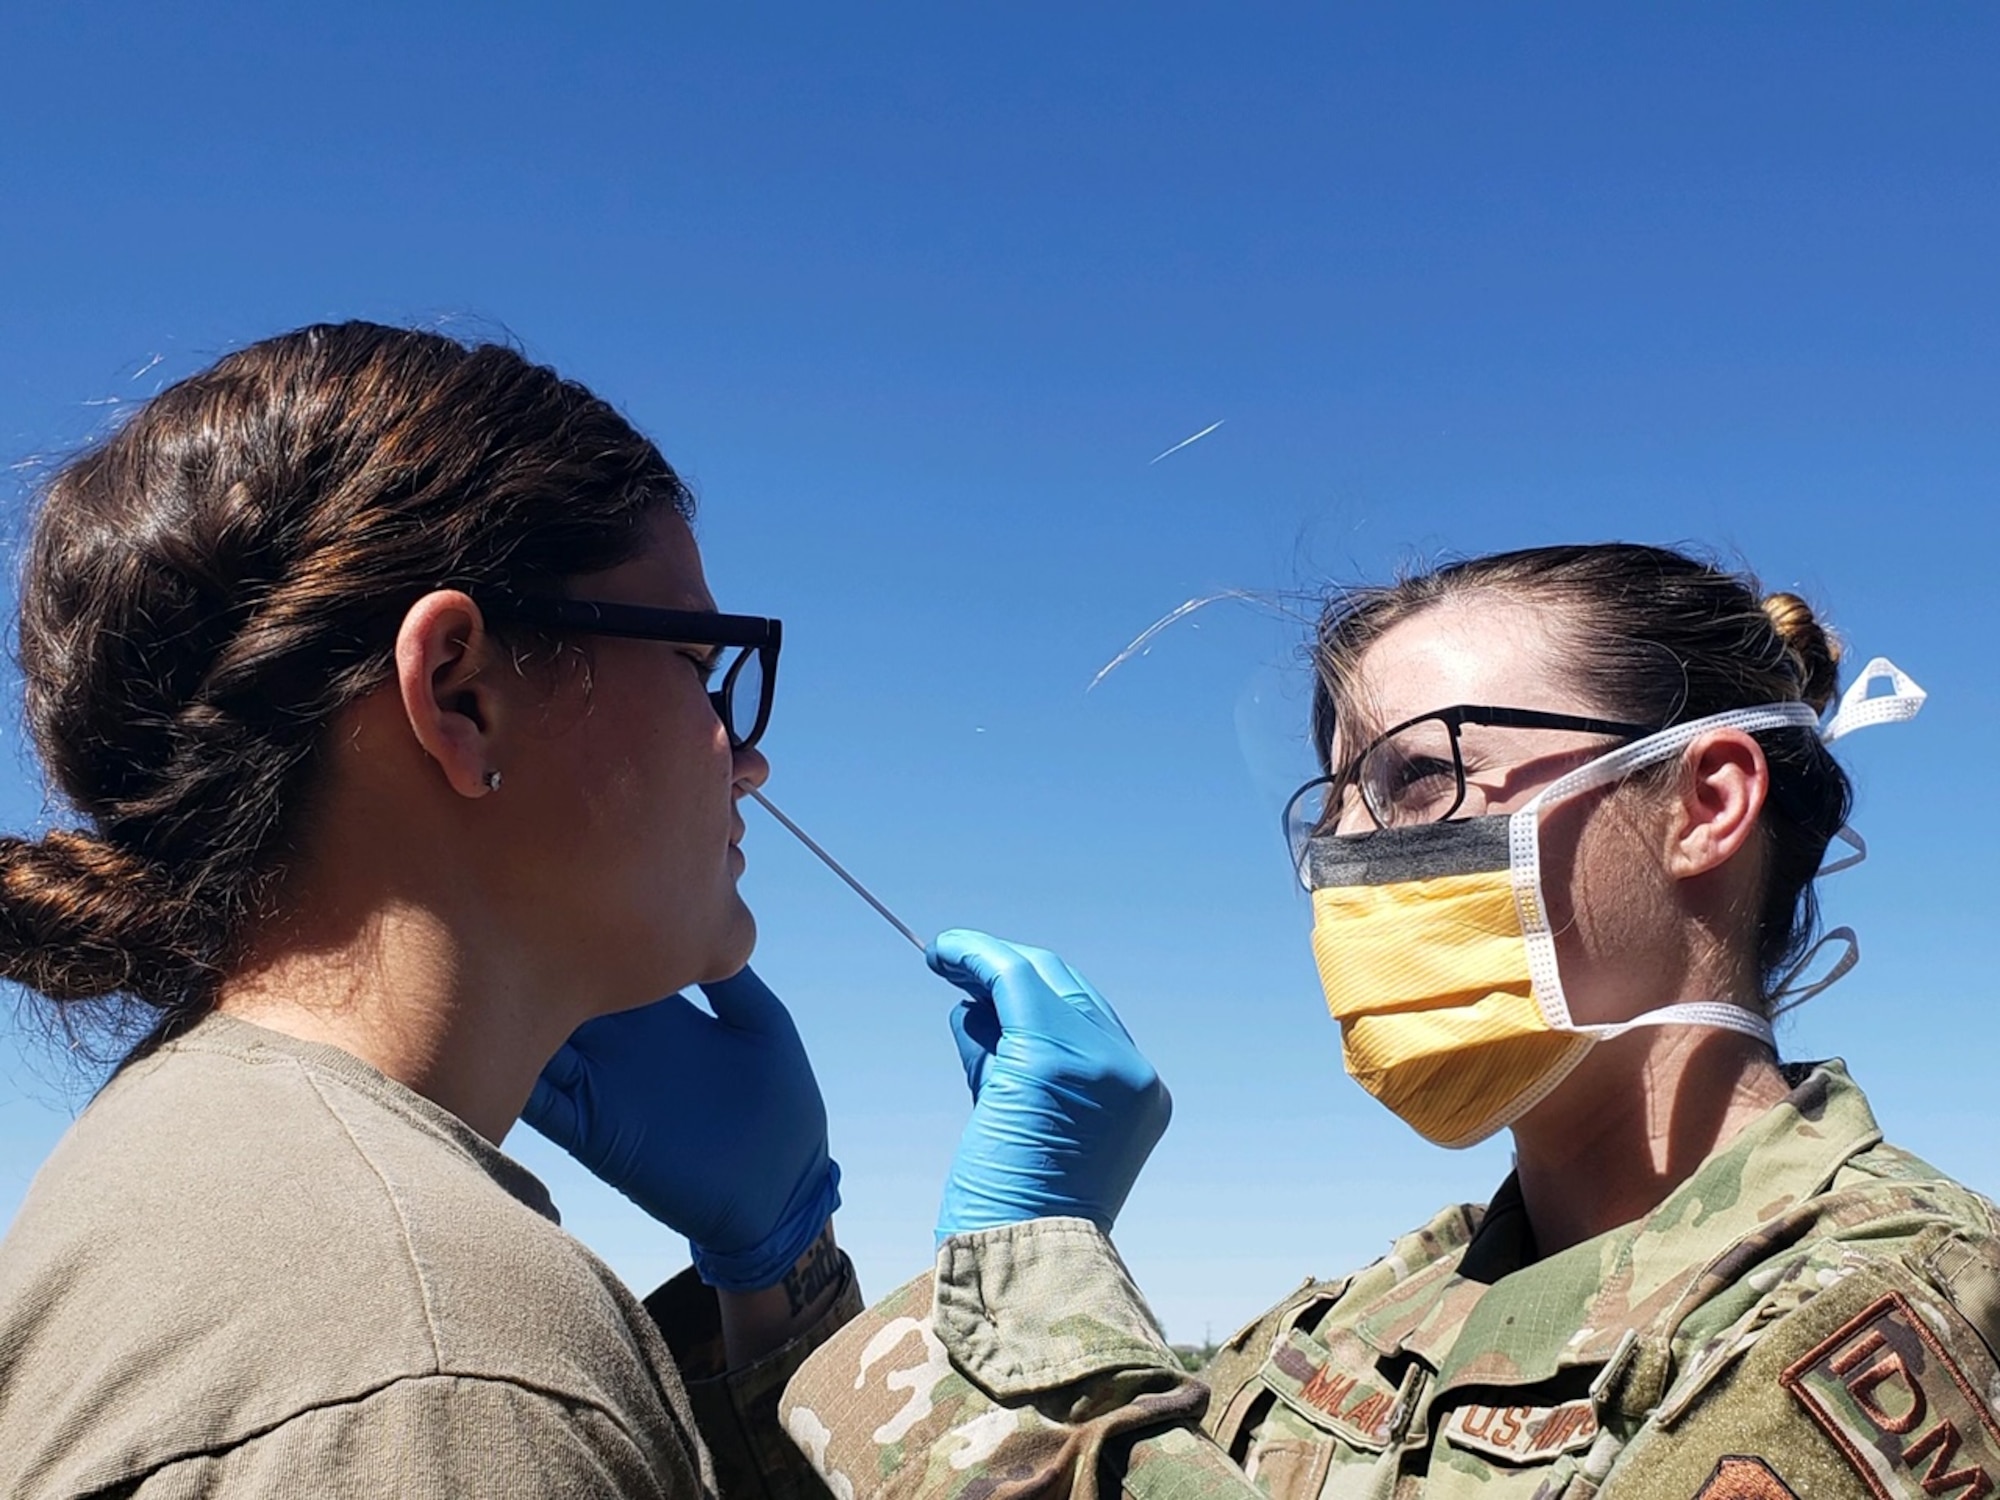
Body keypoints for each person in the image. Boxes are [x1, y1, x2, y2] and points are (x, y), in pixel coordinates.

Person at [775, 545, 2000, 1499]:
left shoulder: (1878, 1318)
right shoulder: (1363, 1323)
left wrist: (1029, 1277)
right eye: (1331, 804)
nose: (1343, 856)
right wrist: (769, 1271)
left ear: (1703, 801)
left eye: (1416, 777)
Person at [0, 322, 856, 1498]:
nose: (743, 760)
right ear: (460, 695)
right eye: (697, 662)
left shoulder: (205, 1178)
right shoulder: (443, 1368)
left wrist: (779, 1270)